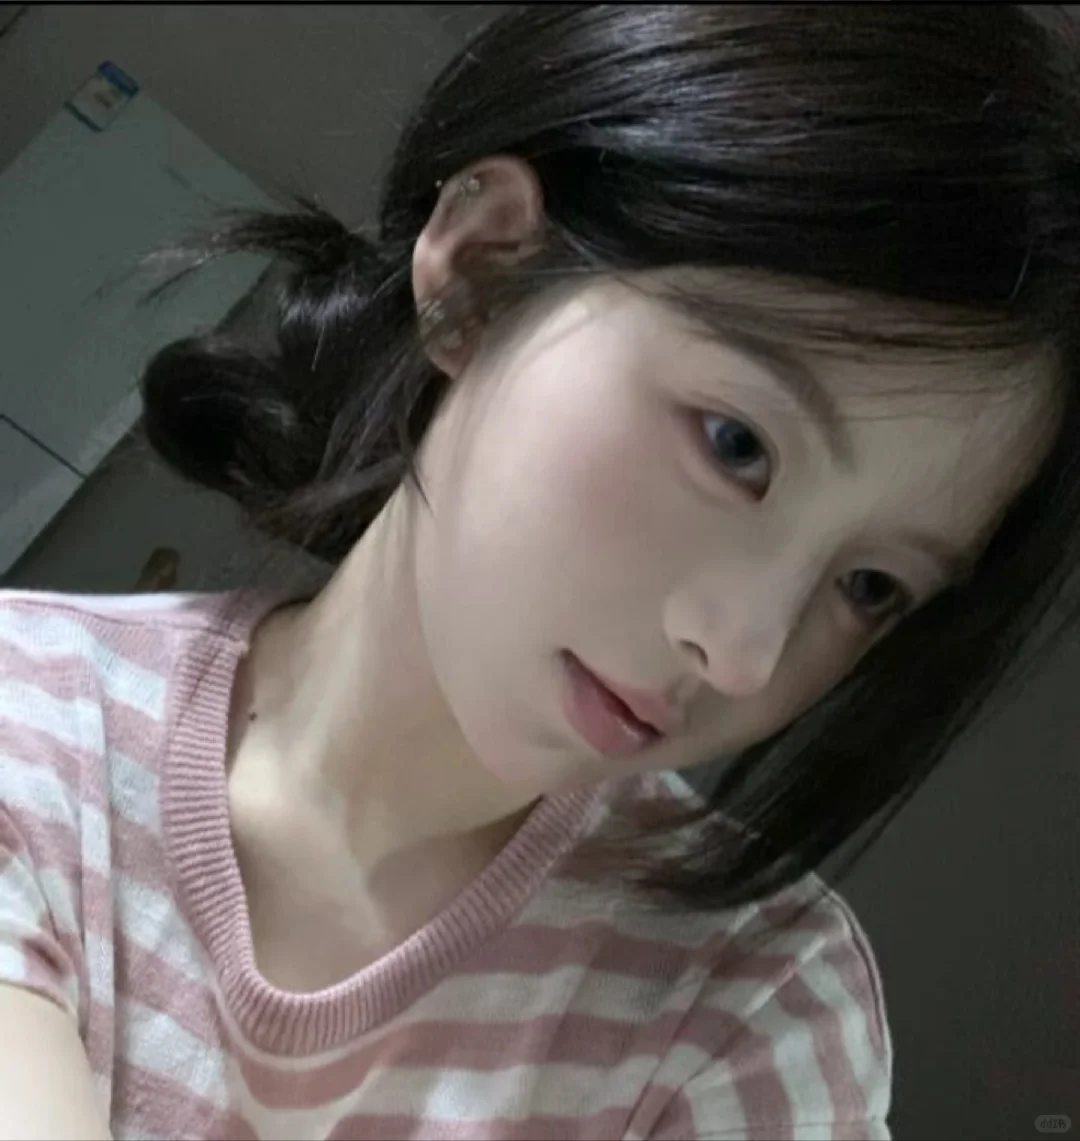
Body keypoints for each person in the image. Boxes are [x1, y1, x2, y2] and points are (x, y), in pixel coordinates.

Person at [2, 4, 1078, 1138]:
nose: (744, 652)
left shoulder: (748, 1010)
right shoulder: (31, 719)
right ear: (484, 269)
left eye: (870, 587)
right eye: (736, 444)